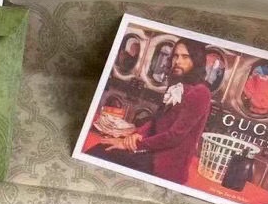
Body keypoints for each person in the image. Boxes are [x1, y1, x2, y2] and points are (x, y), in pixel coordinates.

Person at [91, 39, 212, 184]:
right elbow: (156, 121)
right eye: (175, 56)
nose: (178, 61)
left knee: (101, 153)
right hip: (151, 155)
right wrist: (137, 135)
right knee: (102, 149)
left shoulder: (201, 92)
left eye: (185, 57)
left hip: (165, 166)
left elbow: (174, 136)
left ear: (197, 61)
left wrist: (132, 145)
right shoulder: (176, 86)